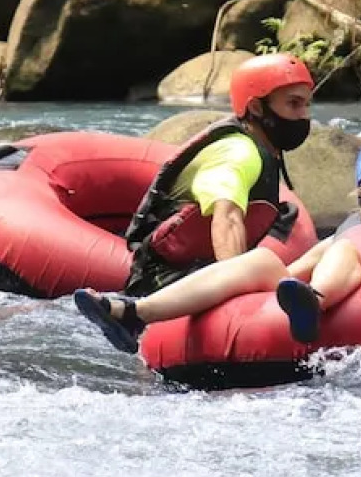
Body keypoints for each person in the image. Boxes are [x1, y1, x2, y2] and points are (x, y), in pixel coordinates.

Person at [73, 133, 361, 353]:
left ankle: (317, 302)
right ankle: (136, 313)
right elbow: (289, 275)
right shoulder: (347, 233)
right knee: (264, 261)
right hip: (311, 299)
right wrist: (263, 283)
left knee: (339, 251)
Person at [120, 52, 315, 298]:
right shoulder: (238, 152)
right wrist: (236, 292)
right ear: (256, 107)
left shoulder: (259, 149)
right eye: (294, 104)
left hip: (198, 271)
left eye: (307, 105)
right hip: (164, 282)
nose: (304, 115)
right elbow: (228, 218)